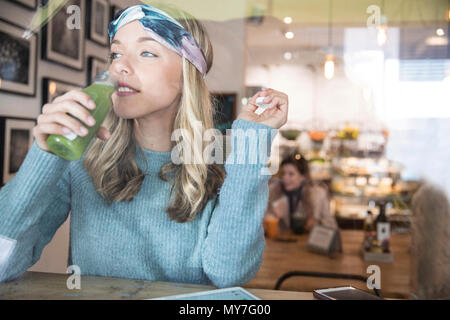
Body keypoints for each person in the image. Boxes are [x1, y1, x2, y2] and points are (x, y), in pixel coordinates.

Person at [0, 4, 288, 288]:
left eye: (147, 52)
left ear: (188, 73)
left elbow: (230, 274)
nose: (119, 66)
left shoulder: (224, 164)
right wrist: (45, 156)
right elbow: (3, 264)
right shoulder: (82, 159)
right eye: (115, 53)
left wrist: (252, 141)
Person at [266, 153, 337, 233]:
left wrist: (317, 223)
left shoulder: (319, 194)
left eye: (291, 174)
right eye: (283, 173)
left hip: (307, 244)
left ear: (303, 177)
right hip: (279, 244)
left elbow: (331, 226)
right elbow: (258, 224)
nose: (285, 178)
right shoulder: (272, 191)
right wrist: (273, 215)